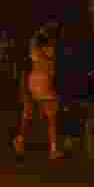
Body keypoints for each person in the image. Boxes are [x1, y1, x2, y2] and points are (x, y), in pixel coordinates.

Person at [13, 20, 65, 160]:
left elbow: (34, 40)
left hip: (33, 81)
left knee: (28, 113)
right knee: (51, 119)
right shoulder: (51, 48)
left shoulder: (35, 50)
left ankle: (20, 140)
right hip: (44, 82)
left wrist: (41, 30)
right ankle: (53, 149)